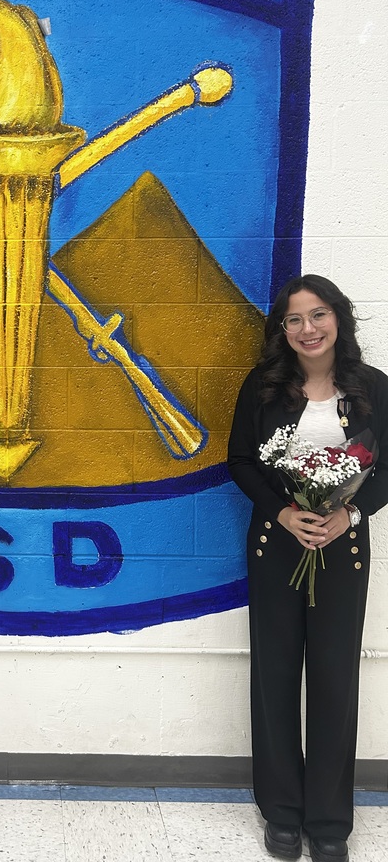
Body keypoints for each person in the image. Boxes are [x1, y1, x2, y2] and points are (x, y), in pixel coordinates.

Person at [228, 275, 388, 862]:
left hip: (342, 551)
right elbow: (240, 460)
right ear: (283, 331)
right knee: (273, 678)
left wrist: (352, 513)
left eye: (317, 315)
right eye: (294, 320)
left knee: (333, 679)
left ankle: (328, 821)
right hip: (277, 546)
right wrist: (282, 511)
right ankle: (282, 814)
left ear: (338, 319)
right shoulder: (265, 387)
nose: (307, 329)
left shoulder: (373, 389)